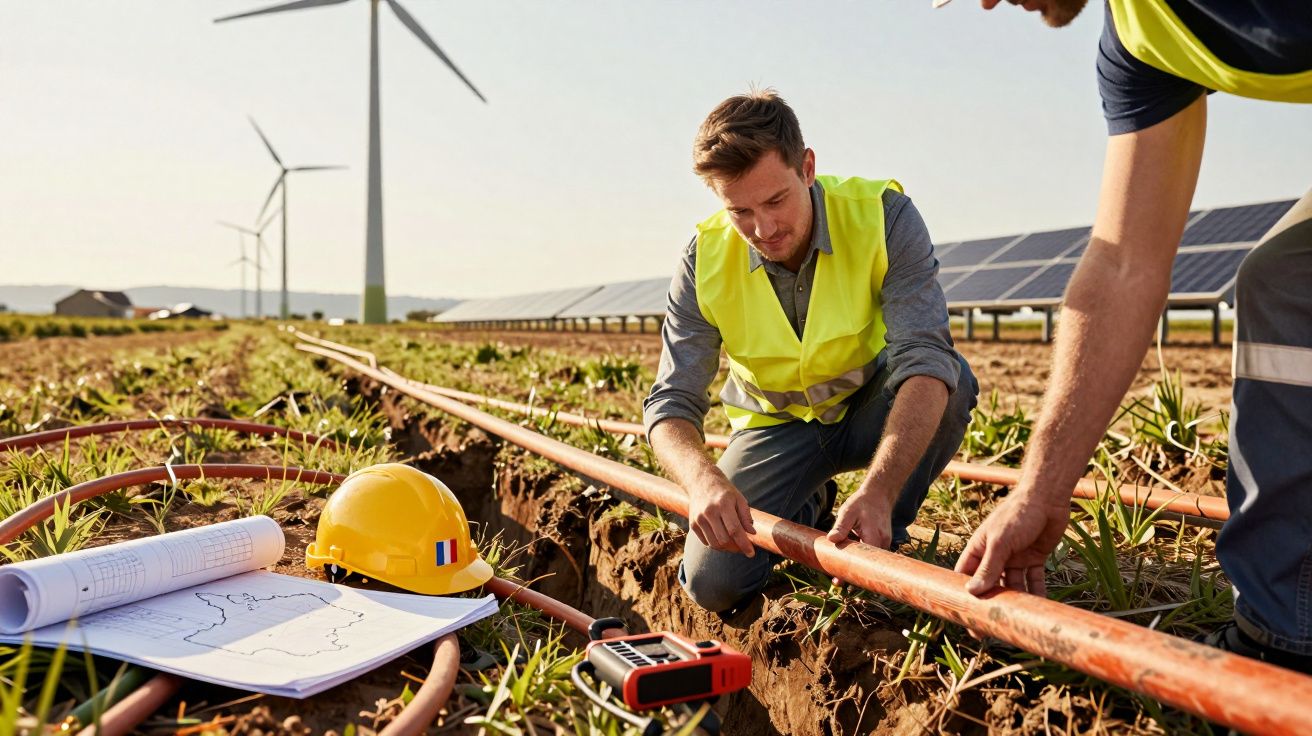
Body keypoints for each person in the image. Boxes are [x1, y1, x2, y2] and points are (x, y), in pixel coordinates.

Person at [946, 0, 1312, 671]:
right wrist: (1040, 491)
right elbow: (1122, 264)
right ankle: (1286, 641)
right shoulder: (1142, 41)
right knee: (1289, 279)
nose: (990, 2)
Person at [643, 89, 979, 616]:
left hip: (871, 408)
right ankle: (811, 499)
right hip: (774, 429)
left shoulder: (883, 216)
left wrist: (881, 490)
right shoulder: (702, 259)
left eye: (775, 200)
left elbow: (925, 359)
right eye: (740, 212)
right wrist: (703, 482)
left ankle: (884, 526)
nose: (764, 228)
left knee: (950, 380)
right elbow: (670, 403)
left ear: (807, 168)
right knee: (714, 584)